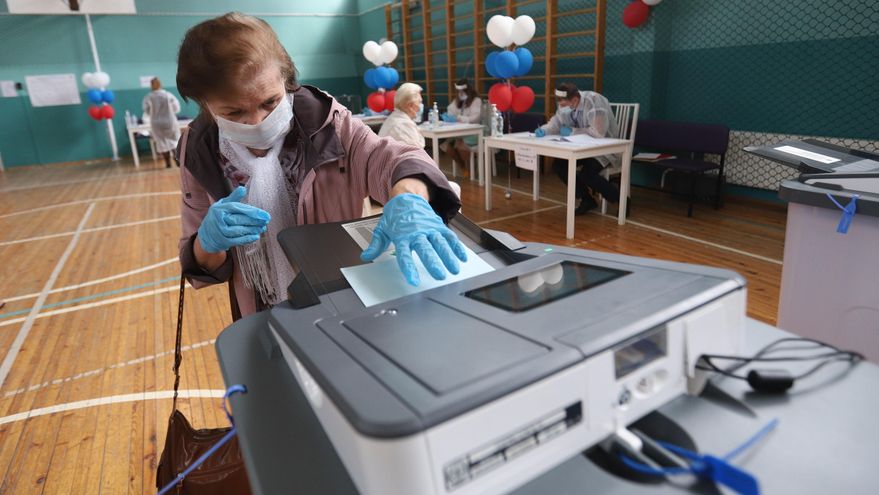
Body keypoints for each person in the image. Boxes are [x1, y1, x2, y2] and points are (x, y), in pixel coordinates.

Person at [175, 13, 465, 320]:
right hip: (261, 307)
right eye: (234, 112)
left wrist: (409, 196)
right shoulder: (199, 153)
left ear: (286, 81)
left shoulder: (328, 124)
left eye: (270, 102)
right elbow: (198, 266)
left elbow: (389, 158)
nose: (257, 122)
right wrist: (208, 243)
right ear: (204, 104)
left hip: (342, 292)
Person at [535, 82, 620, 214]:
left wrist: (573, 131)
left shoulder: (594, 101)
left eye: (563, 104)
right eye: (560, 104)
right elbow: (556, 122)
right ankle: (587, 199)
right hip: (582, 148)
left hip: (604, 148)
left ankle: (619, 198)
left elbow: (598, 132)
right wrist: (544, 130)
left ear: (575, 99)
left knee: (587, 174)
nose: (561, 107)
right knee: (559, 165)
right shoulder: (566, 103)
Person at [441, 78, 483, 178]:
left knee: (460, 144)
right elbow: (450, 110)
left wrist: (460, 118)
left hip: (474, 132)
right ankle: (463, 166)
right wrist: (450, 116)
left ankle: (469, 168)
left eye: (462, 91)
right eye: (458, 91)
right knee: (444, 144)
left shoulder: (476, 100)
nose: (460, 93)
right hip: (459, 131)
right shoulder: (458, 100)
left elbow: (475, 118)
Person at [142, 77, 182, 168]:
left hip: (156, 122)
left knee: (161, 142)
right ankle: (177, 162)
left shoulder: (148, 97)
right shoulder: (168, 95)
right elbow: (176, 108)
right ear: (160, 84)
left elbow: (147, 111)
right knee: (174, 141)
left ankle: (168, 163)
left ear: (151, 85)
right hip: (169, 121)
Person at [378, 83, 425, 148]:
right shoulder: (403, 124)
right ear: (410, 106)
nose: (420, 106)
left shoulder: (396, 118)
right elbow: (416, 153)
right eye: (420, 102)